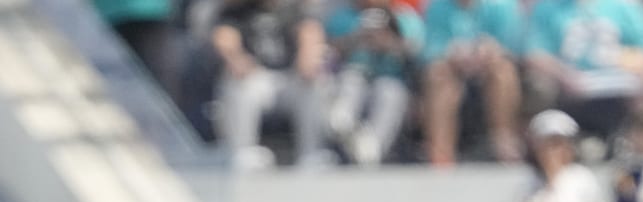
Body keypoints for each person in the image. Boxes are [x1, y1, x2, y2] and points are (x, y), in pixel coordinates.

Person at [523, 0, 643, 144]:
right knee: (539, 85)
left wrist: (627, 63)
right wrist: (563, 75)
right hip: (564, 82)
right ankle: (543, 146)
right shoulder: (548, 6)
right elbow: (534, 54)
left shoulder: (625, 5)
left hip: (617, 82)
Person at [210, 0, 329, 168]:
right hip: (256, 77)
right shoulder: (237, 11)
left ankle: (311, 154)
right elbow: (224, 37)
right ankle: (243, 152)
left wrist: (308, 57)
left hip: (289, 78)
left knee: (315, 84)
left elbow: (310, 32)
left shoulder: (294, 10)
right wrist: (236, 58)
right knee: (238, 85)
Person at [421, 0, 525, 165]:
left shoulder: (502, 6)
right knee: (438, 74)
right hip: (453, 69)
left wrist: (492, 50)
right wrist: (451, 53)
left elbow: (515, 48)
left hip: (490, 68)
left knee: (504, 72)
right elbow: (430, 50)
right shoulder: (437, 7)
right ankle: (441, 150)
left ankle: (503, 142)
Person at [324, 1, 423, 166]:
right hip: (353, 77)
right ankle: (345, 125)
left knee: (390, 92)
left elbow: (418, 55)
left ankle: (371, 149)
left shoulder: (404, 17)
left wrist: (388, 42)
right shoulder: (341, 18)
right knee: (351, 81)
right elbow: (329, 54)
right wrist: (356, 38)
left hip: (392, 80)